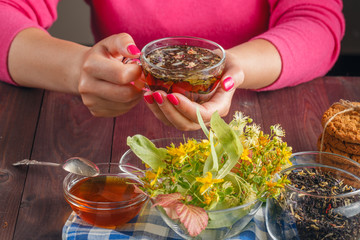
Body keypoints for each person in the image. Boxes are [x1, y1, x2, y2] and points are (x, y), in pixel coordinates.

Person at [0, 0, 345, 131]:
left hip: (258, 119)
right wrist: (78, 68)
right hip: (117, 120)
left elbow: (316, 22)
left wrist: (237, 69)